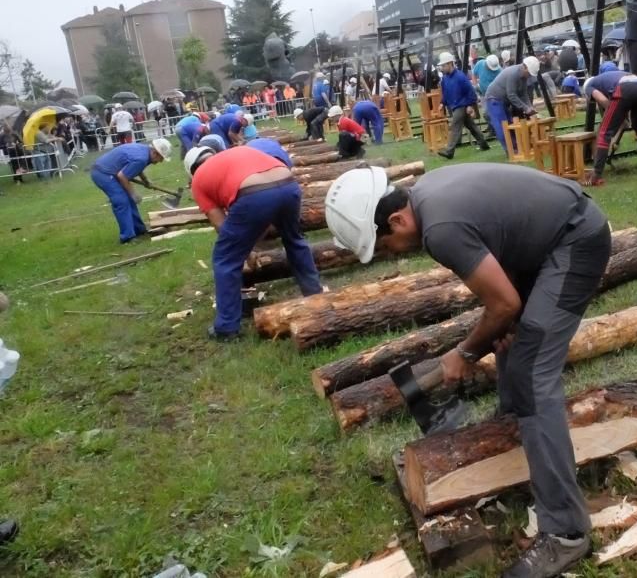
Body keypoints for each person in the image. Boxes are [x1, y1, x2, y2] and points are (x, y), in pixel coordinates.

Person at [325, 163, 610, 578]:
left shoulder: (440, 229)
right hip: (545, 241)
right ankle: (516, 431)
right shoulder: (426, 195)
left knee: (533, 372)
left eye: (385, 244)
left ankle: (565, 532)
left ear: (397, 219)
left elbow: (504, 304)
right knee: (517, 338)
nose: (392, 252)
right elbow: (504, 264)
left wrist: (466, 352)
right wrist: (506, 322)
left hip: (575, 240)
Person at [185, 145, 322, 339]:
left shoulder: (198, 180)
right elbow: (260, 221)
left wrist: (243, 251)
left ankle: (226, 328)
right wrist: (247, 245)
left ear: (191, 170)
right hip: (288, 183)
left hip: (253, 193)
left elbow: (223, 227)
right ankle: (316, 297)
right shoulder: (230, 157)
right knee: (294, 241)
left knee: (225, 258)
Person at [92, 138, 171, 243]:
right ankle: (127, 237)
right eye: (161, 158)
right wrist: (133, 194)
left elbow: (136, 167)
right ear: (155, 153)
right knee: (121, 201)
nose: (160, 161)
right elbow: (122, 176)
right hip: (103, 173)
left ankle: (139, 230)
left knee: (129, 200)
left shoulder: (145, 152)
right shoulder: (142, 158)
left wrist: (145, 180)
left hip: (111, 171)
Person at [583, 71, 637, 186]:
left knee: (604, 132)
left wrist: (618, 116)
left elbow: (604, 100)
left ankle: (596, 175)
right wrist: (621, 116)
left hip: (624, 88)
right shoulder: (605, 79)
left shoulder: (589, 86)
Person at [436, 51, 490, 159]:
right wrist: (442, 103)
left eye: (443, 65)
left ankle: (449, 151)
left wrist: (470, 105)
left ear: (450, 64)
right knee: (471, 126)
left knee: (455, 126)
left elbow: (470, 92)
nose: (441, 68)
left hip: (462, 105)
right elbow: (446, 93)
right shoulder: (445, 79)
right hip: (455, 105)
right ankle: (484, 144)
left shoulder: (460, 77)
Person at [483, 57, 540, 152]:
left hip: (503, 101)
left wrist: (530, 107)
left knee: (510, 123)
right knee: (502, 127)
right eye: (529, 73)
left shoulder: (523, 76)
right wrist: (526, 108)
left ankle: (517, 148)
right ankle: (511, 151)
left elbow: (523, 94)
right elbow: (511, 95)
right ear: (525, 67)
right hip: (493, 99)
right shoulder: (513, 74)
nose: (529, 76)